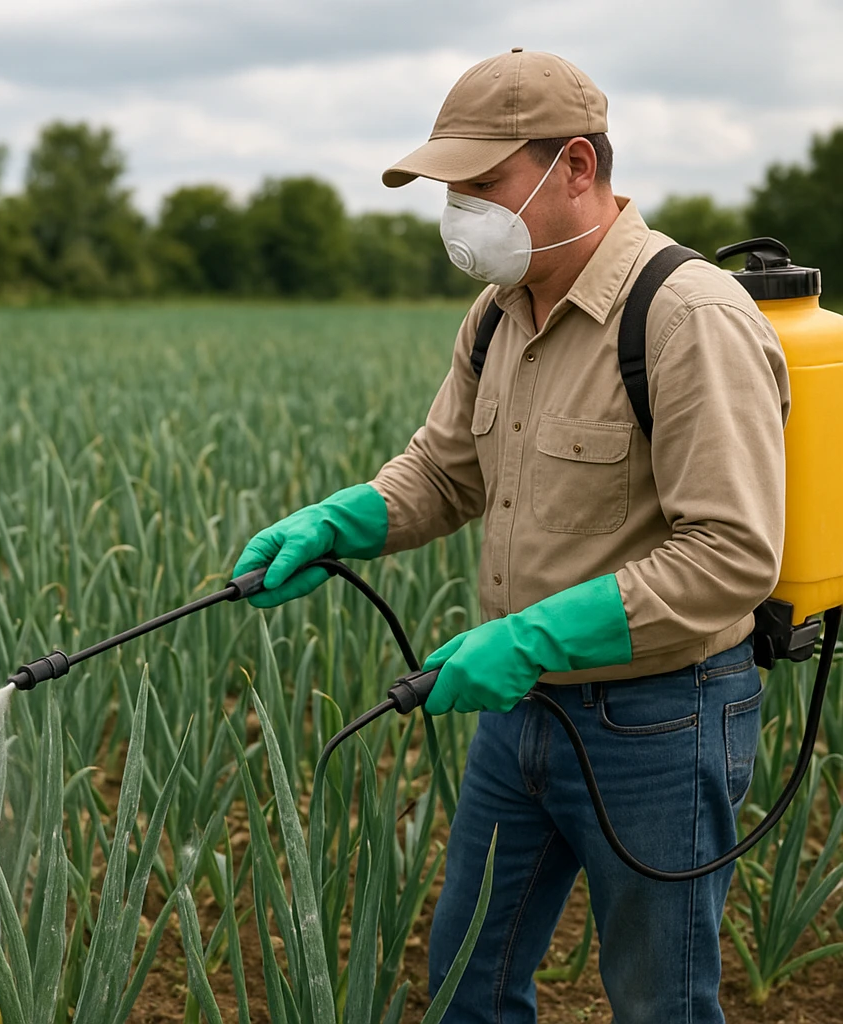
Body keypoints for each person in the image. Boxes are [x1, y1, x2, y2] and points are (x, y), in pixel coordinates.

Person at [232, 47, 790, 1024]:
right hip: (516, 713)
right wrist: (338, 523)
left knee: (659, 1002)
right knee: (467, 983)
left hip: (659, 720)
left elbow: (730, 555)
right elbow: (445, 470)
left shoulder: (687, 317)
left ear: (575, 166)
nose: (460, 213)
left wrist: (532, 636)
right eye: (451, 191)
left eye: (482, 185)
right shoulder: (498, 313)